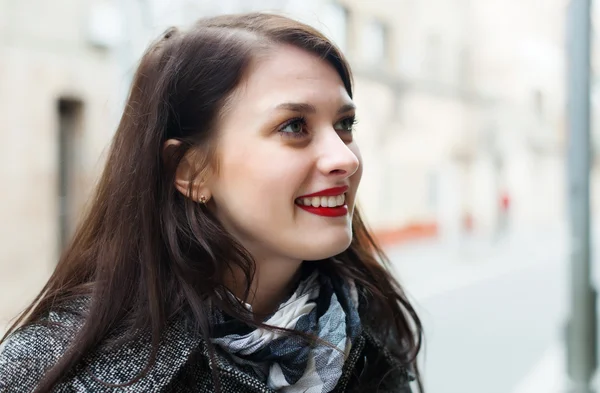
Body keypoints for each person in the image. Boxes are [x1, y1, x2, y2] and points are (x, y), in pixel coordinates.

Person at [0, 13, 423, 393]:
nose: (345, 159)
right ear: (191, 170)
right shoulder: (51, 370)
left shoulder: (370, 324)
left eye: (344, 124)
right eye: (294, 126)